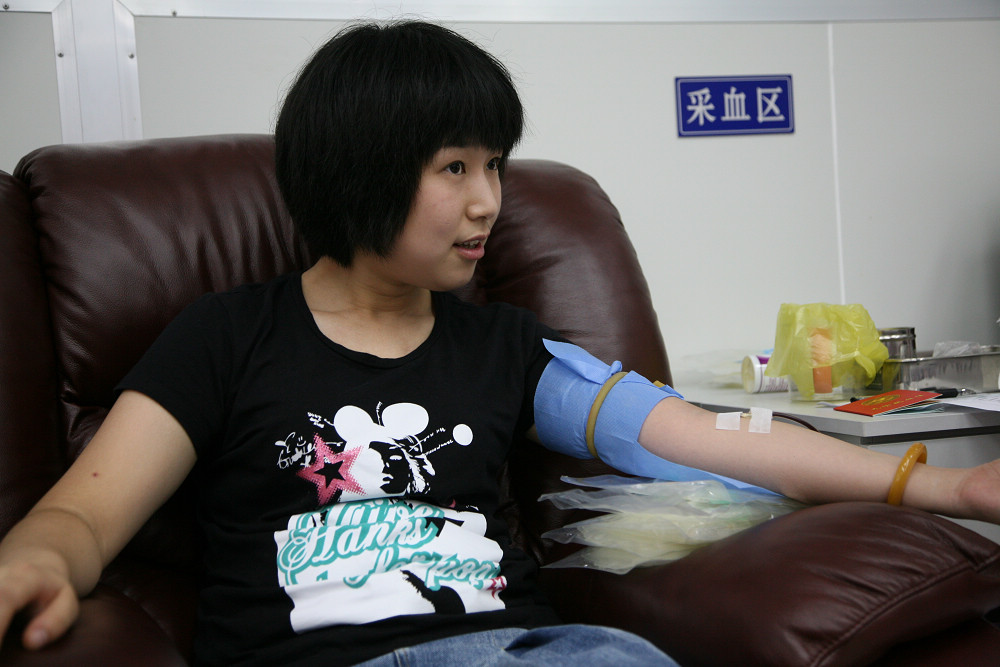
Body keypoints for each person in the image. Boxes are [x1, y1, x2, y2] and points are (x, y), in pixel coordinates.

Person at [1, 19, 999, 667]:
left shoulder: (507, 349)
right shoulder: (223, 338)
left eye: (495, 166)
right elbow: (83, 515)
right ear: (357, 172)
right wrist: (37, 558)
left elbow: (709, 437)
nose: (488, 202)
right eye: (454, 168)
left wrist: (949, 488)